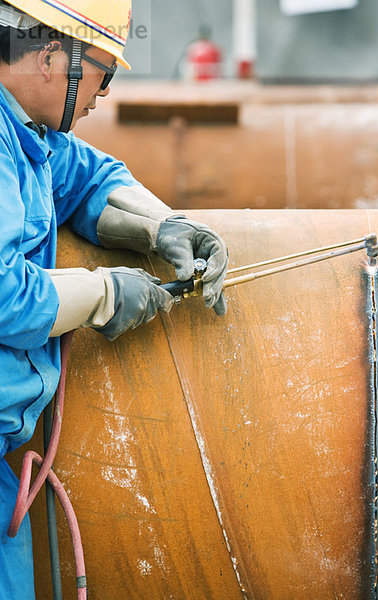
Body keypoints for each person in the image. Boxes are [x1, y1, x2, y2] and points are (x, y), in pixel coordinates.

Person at [0, 1, 228, 597]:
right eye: (105, 73)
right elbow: (2, 294)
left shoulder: (27, 133)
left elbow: (92, 180)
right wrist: (107, 291)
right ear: (52, 57)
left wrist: (166, 228)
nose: (104, 94)